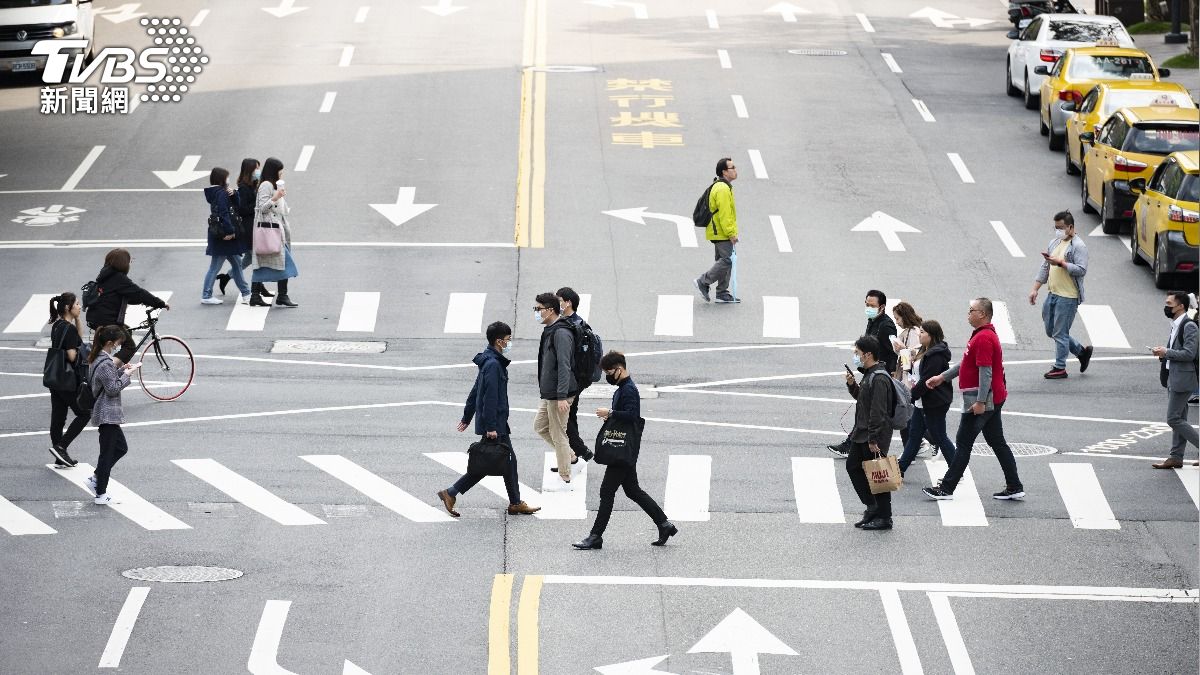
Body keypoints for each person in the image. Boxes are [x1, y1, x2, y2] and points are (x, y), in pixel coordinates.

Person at [922, 298, 1026, 501]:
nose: (968, 314)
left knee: (963, 443)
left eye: (972, 310)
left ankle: (946, 488)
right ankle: (1014, 485)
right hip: (991, 397)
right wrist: (942, 377)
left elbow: (985, 373)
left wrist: (980, 402)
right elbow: (966, 364)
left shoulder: (984, 338)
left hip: (982, 399)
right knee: (997, 441)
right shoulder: (981, 335)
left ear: (983, 315)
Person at [572, 351, 677, 549]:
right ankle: (664, 524)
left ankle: (595, 536)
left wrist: (610, 413)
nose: (607, 376)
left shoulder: (629, 390)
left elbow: (632, 415)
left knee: (606, 492)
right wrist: (611, 417)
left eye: (609, 371)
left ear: (620, 369)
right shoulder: (623, 387)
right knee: (633, 490)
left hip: (621, 450)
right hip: (623, 449)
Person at [437, 322, 540, 516]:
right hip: (494, 423)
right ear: (499, 341)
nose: (510, 343)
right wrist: (491, 426)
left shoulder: (489, 361)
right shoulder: (493, 364)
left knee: (506, 461)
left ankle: (515, 502)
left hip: (495, 422)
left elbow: (476, 390)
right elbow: (489, 396)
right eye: (508, 340)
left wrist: (467, 416)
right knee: (488, 463)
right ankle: (451, 492)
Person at [828, 290, 897, 458]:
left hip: (880, 374)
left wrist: (891, 374)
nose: (868, 308)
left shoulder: (886, 325)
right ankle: (851, 443)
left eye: (872, 306)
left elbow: (893, 351)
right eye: (866, 304)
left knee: (873, 410)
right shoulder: (872, 321)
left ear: (881, 307)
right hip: (871, 370)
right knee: (865, 408)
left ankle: (921, 439)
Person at [1028, 210, 1092, 379]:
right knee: (1052, 331)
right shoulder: (1055, 243)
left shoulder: (1079, 246)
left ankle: (1060, 367)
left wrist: (1061, 263)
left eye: (1061, 228)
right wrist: (1035, 288)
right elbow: (1045, 267)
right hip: (1053, 293)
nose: (1058, 231)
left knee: (1060, 333)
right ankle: (1081, 352)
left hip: (1068, 296)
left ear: (1070, 227)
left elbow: (1081, 269)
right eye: (1056, 228)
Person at [841, 335, 895, 531]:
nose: (856, 356)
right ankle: (872, 507)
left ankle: (885, 517)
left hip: (872, 434)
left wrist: (874, 438)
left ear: (868, 354)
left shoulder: (879, 377)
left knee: (879, 474)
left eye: (857, 353)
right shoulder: (870, 373)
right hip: (862, 432)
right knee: (854, 467)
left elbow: (878, 411)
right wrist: (852, 385)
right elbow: (864, 401)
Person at [85, 248, 170, 366]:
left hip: (96, 318)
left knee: (126, 332)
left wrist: (143, 302)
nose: (130, 264)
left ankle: (103, 368)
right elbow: (138, 292)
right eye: (130, 261)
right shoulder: (118, 278)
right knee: (130, 346)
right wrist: (160, 303)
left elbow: (127, 296)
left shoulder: (106, 275)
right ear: (122, 262)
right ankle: (106, 369)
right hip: (107, 320)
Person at [897, 320, 956, 475]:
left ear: (931, 335)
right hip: (922, 401)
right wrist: (906, 362)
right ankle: (900, 469)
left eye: (922, 332)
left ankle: (957, 470)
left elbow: (926, 381)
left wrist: (911, 396)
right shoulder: (924, 350)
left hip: (934, 402)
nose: (919, 334)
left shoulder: (935, 355)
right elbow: (916, 373)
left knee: (940, 437)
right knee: (914, 437)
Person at [87, 325, 135, 506]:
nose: (117, 346)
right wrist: (127, 375)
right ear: (109, 343)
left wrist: (123, 371)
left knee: (121, 448)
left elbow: (109, 380)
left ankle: (96, 479)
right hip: (107, 413)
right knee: (106, 454)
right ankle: (100, 493)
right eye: (116, 343)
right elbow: (113, 388)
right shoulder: (105, 362)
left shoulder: (98, 358)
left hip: (107, 414)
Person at [1150, 292, 1199, 469]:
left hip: (1183, 379)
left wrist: (1166, 352)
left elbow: (1189, 353)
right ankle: (1176, 457)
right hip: (1174, 377)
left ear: (1180, 306)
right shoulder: (1176, 324)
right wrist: (1163, 355)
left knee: (1173, 419)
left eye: (1169, 304)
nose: (1166, 306)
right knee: (1180, 417)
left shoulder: (1189, 326)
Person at [533, 292, 578, 484]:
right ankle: (569, 455)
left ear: (550, 310)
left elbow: (564, 365)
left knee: (558, 432)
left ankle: (565, 473)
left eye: (538, 309)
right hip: (550, 391)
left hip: (560, 393)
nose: (536, 312)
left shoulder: (560, 333)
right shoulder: (550, 329)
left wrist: (561, 396)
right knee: (540, 426)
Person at [552, 286, 595, 472]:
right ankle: (574, 455)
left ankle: (580, 452)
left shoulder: (571, 326)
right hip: (577, 380)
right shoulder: (576, 323)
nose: (556, 304)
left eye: (558, 300)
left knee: (564, 421)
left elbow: (566, 360)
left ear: (568, 302)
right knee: (570, 418)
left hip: (572, 381)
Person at [249, 157, 298, 308]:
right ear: (273, 171)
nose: (281, 174)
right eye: (280, 171)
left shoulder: (272, 184)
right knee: (279, 264)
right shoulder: (265, 185)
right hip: (269, 231)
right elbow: (262, 208)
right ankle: (274, 295)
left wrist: (280, 197)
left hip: (276, 229)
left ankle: (274, 295)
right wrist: (276, 198)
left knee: (270, 264)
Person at [45, 292, 85, 467]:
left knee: (58, 419)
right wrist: (81, 356)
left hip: (55, 379)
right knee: (84, 414)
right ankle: (61, 447)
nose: (79, 306)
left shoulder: (58, 325)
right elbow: (72, 355)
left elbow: (78, 338)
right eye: (77, 304)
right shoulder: (68, 329)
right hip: (68, 380)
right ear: (68, 307)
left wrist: (77, 320)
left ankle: (59, 457)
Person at [693, 157, 740, 304]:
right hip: (720, 231)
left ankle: (722, 293)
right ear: (724, 172)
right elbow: (725, 214)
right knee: (727, 260)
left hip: (718, 230)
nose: (735, 170)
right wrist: (731, 233)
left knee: (724, 260)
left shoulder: (724, 187)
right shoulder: (722, 189)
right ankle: (703, 281)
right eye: (732, 168)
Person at [201, 167, 251, 305]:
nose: (229, 179)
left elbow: (234, 205)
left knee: (236, 264)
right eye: (227, 177)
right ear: (222, 179)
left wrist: (234, 194)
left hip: (221, 236)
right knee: (217, 266)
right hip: (225, 237)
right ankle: (206, 295)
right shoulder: (221, 193)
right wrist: (230, 232)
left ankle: (246, 293)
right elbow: (224, 213)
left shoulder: (216, 192)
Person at [217, 158, 264, 297]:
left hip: (252, 225)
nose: (258, 171)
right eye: (256, 168)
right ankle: (257, 289)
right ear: (249, 170)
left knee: (250, 258)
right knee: (255, 258)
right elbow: (242, 209)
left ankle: (226, 277)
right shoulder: (244, 187)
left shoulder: (253, 184)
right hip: (247, 227)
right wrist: (257, 207)